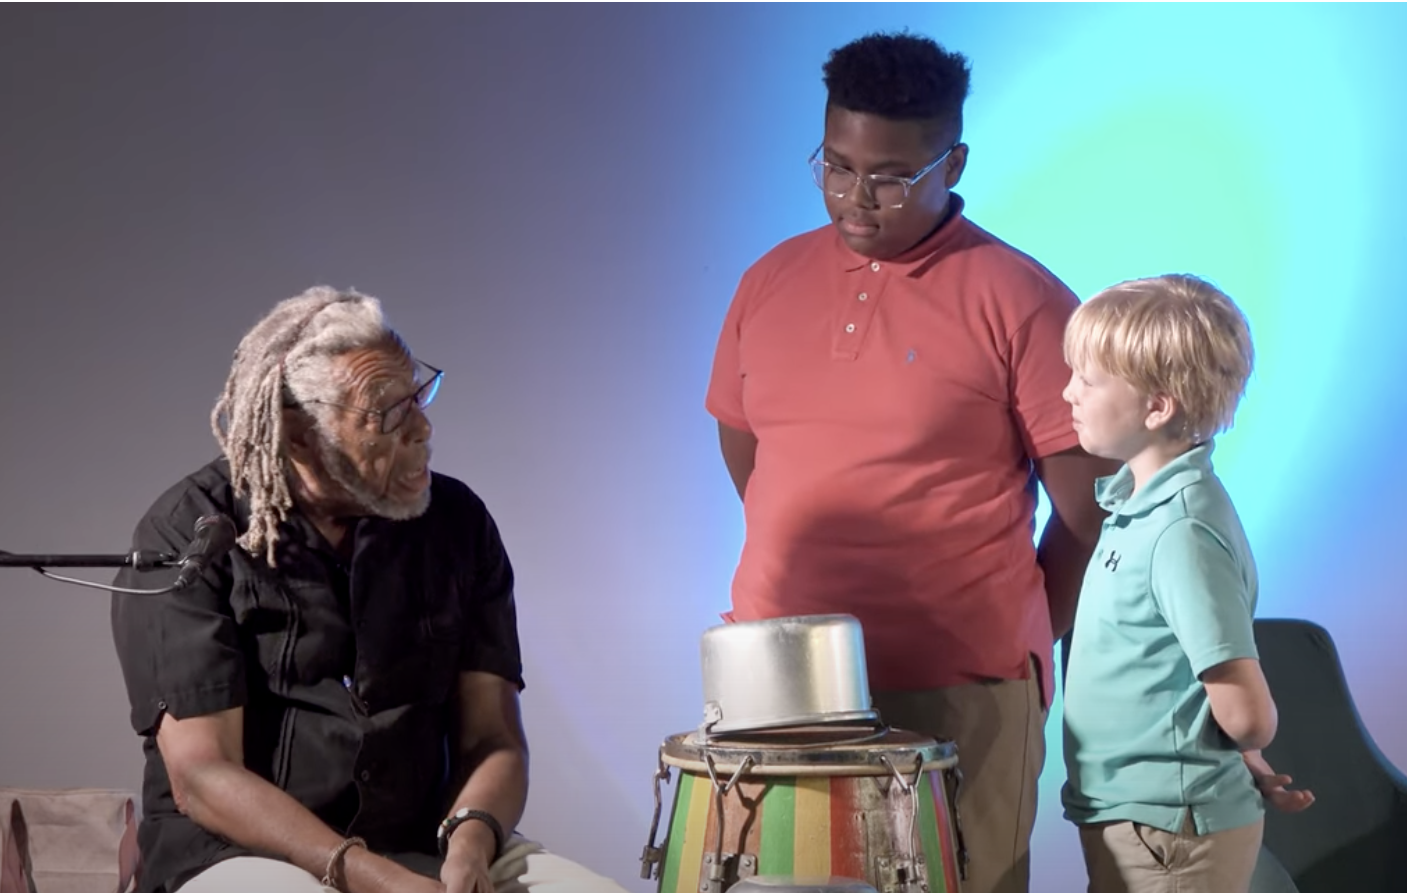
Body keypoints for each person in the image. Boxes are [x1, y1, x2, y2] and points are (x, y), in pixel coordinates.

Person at [704, 31, 1114, 893]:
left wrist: (1016, 632)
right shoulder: (766, 282)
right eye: (836, 164)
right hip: (778, 686)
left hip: (959, 689)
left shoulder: (1024, 302)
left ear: (953, 162)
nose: (856, 197)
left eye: (890, 175)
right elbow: (748, 449)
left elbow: (1089, 511)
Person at [110, 287, 628, 893]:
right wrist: (369, 877)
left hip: (425, 843)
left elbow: (494, 738)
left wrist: (470, 844)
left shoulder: (457, 522)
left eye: (419, 396)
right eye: (388, 414)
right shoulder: (193, 532)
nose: (423, 428)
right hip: (243, 856)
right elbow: (202, 774)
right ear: (300, 437)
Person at [1059, 274, 1315, 893]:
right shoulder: (1139, 506)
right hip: (1137, 819)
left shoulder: (1181, 531)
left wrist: (1242, 744)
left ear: (1157, 406)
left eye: (1087, 380)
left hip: (1171, 831)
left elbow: (1248, 716)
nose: (1068, 392)